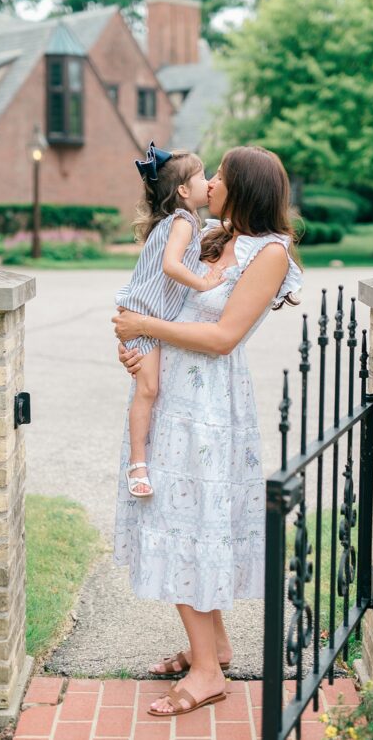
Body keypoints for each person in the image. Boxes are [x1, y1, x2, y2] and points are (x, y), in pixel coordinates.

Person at [111, 145, 302, 718]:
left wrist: (147, 326)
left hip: (209, 406)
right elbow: (165, 285)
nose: (211, 182)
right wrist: (140, 345)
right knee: (174, 516)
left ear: (245, 188)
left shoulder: (270, 252)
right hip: (172, 397)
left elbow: (223, 337)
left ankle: (205, 675)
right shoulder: (210, 235)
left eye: (220, 174)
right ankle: (212, 647)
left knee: (186, 521)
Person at [115, 142, 225, 499]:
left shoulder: (184, 221)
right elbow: (171, 266)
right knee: (148, 390)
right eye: (202, 176)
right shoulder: (181, 221)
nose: (208, 182)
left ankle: (141, 461)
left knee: (148, 389)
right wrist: (204, 282)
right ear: (182, 190)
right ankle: (138, 465)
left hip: (144, 314)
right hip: (143, 314)